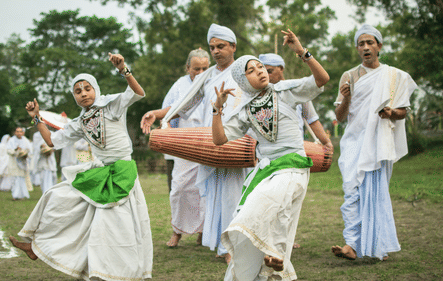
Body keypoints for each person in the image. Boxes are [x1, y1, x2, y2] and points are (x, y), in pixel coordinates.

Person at [9, 53, 153, 281]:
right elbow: (51, 141)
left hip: (122, 174)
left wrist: (124, 69)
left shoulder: (111, 106)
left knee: (114, 228)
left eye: (87, 88)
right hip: (99, 172)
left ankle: (118, 274)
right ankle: (36, 247)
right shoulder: (79, 122)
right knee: (54, 195)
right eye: (78, 91)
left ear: (95, 89)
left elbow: (137, 92)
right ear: (74, 97)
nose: (84, 93)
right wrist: (36, 118)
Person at [213, 29, 329, 281]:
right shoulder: (244, 110)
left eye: (261, 67)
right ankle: (272, 263)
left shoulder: (285, 91)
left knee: (267, 204)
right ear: (243, 81)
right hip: (267, 170)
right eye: (252, 70)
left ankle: (274, 253)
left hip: (294, 165)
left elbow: (322, 79)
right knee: (267, 213)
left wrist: (302, 52)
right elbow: (220, 140)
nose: (260, 71)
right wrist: (217, 111)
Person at [141, 23, 248, 263]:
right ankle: (226, 247)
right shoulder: (208, 77)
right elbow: (185, 105)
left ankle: (240, 247)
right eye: (212, 47)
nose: (216, 51)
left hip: (243, 143)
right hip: (214, 144)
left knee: (239, 195)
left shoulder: (244, 68)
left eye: (221, 46)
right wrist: (158, 115)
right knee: (219, 196)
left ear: (233, 46)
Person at [331, 24, 417, 261]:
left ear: (379, 46)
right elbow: (339, 117)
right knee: (351, 190)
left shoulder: (394, 76)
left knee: (376, 193)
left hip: (379, 143)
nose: (366, 47)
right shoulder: (349, 76)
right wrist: (346, 98)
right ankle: (352, 242)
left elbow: (403, 113)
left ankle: (369, 244)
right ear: (357, 48)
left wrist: (390, 113)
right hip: (354, 141)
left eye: (370, 42)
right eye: (361, 43)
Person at [259, 53, 333, 249]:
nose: (266, 75)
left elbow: (312, 119)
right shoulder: (261, 94)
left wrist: (326, 142)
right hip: (270, 156)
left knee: (290, 200)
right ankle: (270, 240)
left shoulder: (296, 90)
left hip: (295, 154)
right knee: (273, 198)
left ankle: (285, 239)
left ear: (281, 69)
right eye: (263, 71)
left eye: (270, 71)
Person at [143, 48, 210, 247]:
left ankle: (203, 232)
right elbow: (170, 113)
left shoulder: (213, 81)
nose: (200, 73)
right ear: (187, 67)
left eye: (204, 68)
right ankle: (177, 232)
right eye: (196, 68)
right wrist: (162, 125)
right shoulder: (180, 85)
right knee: (179, 189)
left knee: (205, 189)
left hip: (208, 142)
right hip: (184, 143)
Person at [7, 127, 31, 200]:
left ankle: (22, 195)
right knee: (15, 179)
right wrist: (15, 150)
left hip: (23, 162)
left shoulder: (26, 140)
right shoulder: (11, 140)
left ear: (23, 132)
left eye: (20, 131)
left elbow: (29, 150)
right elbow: (8, 150)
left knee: (21, 179)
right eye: (17, 131)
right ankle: (15, 195)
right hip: (14, 162)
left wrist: (24, 154)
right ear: (15, 132)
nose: (19, 133)